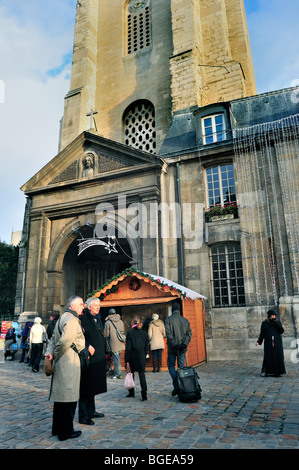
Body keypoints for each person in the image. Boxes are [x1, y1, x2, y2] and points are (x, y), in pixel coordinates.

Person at [45, 296, 86, 441]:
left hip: (62, 360)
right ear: (73, 305)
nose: (83, 306)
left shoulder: (63, 317)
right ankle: (66, 432)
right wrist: (55, 354)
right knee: (69, 398)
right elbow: (64, 341)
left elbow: (52, 339)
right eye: (81, 304)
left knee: (61, 398)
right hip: (69, 361)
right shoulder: (72, 319)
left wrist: (50, 353)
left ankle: (57, 429)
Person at [78, 297, 107, 425]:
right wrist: (87, 345)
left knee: (93, 386)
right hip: (88, 358)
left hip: (98, 358)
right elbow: (78, 337)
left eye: (99, 305)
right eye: (95, 305)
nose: (98, 307)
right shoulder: (83, 319)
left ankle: (91, 410)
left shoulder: (97, 319)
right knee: (86, 387)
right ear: (88, 307)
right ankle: (83, 415)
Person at [165, 302, 192, 396]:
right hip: (182, 347)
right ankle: (181, 385)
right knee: (181, 366)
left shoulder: (168, 319)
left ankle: (177, 384)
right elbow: (189, 334)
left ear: (172, 310)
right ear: (179, 310)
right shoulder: (185, 320)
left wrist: (174, 344)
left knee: (171, 365)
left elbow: (168, 334)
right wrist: (184, 344)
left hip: (173, 347)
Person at [255, 309, 286, 377]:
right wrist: (259, 341)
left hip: (277, 343)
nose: (273, 317)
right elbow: (262, 334)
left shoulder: (277, 323)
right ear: (269, 316)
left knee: (277, 357)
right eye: (272, 316)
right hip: (268, 343)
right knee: (268, 357)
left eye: (274, 315)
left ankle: (277, 372)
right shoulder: (264, 324)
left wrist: (276, 324)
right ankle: (266, 371)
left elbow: (281, 331)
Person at [125, 316, 149, 401]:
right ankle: (144, 394)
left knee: (131, 375)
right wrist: (144, 354)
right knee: (142, 375)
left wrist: (126, 360)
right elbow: (146, 347)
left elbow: (128, 348)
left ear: (133, 323)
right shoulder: (145, 333)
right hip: (141, 356)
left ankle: (131, 392)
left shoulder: (130, 333)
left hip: (132, 357)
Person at [104, 308, 125, 379]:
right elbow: (123, 331)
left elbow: (106, 334)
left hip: (113, 343)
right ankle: (117, 372)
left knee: (116, 360)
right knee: (118, 358)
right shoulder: (121, 321)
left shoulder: (108, 322)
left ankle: (118, 374)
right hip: (120, 342)